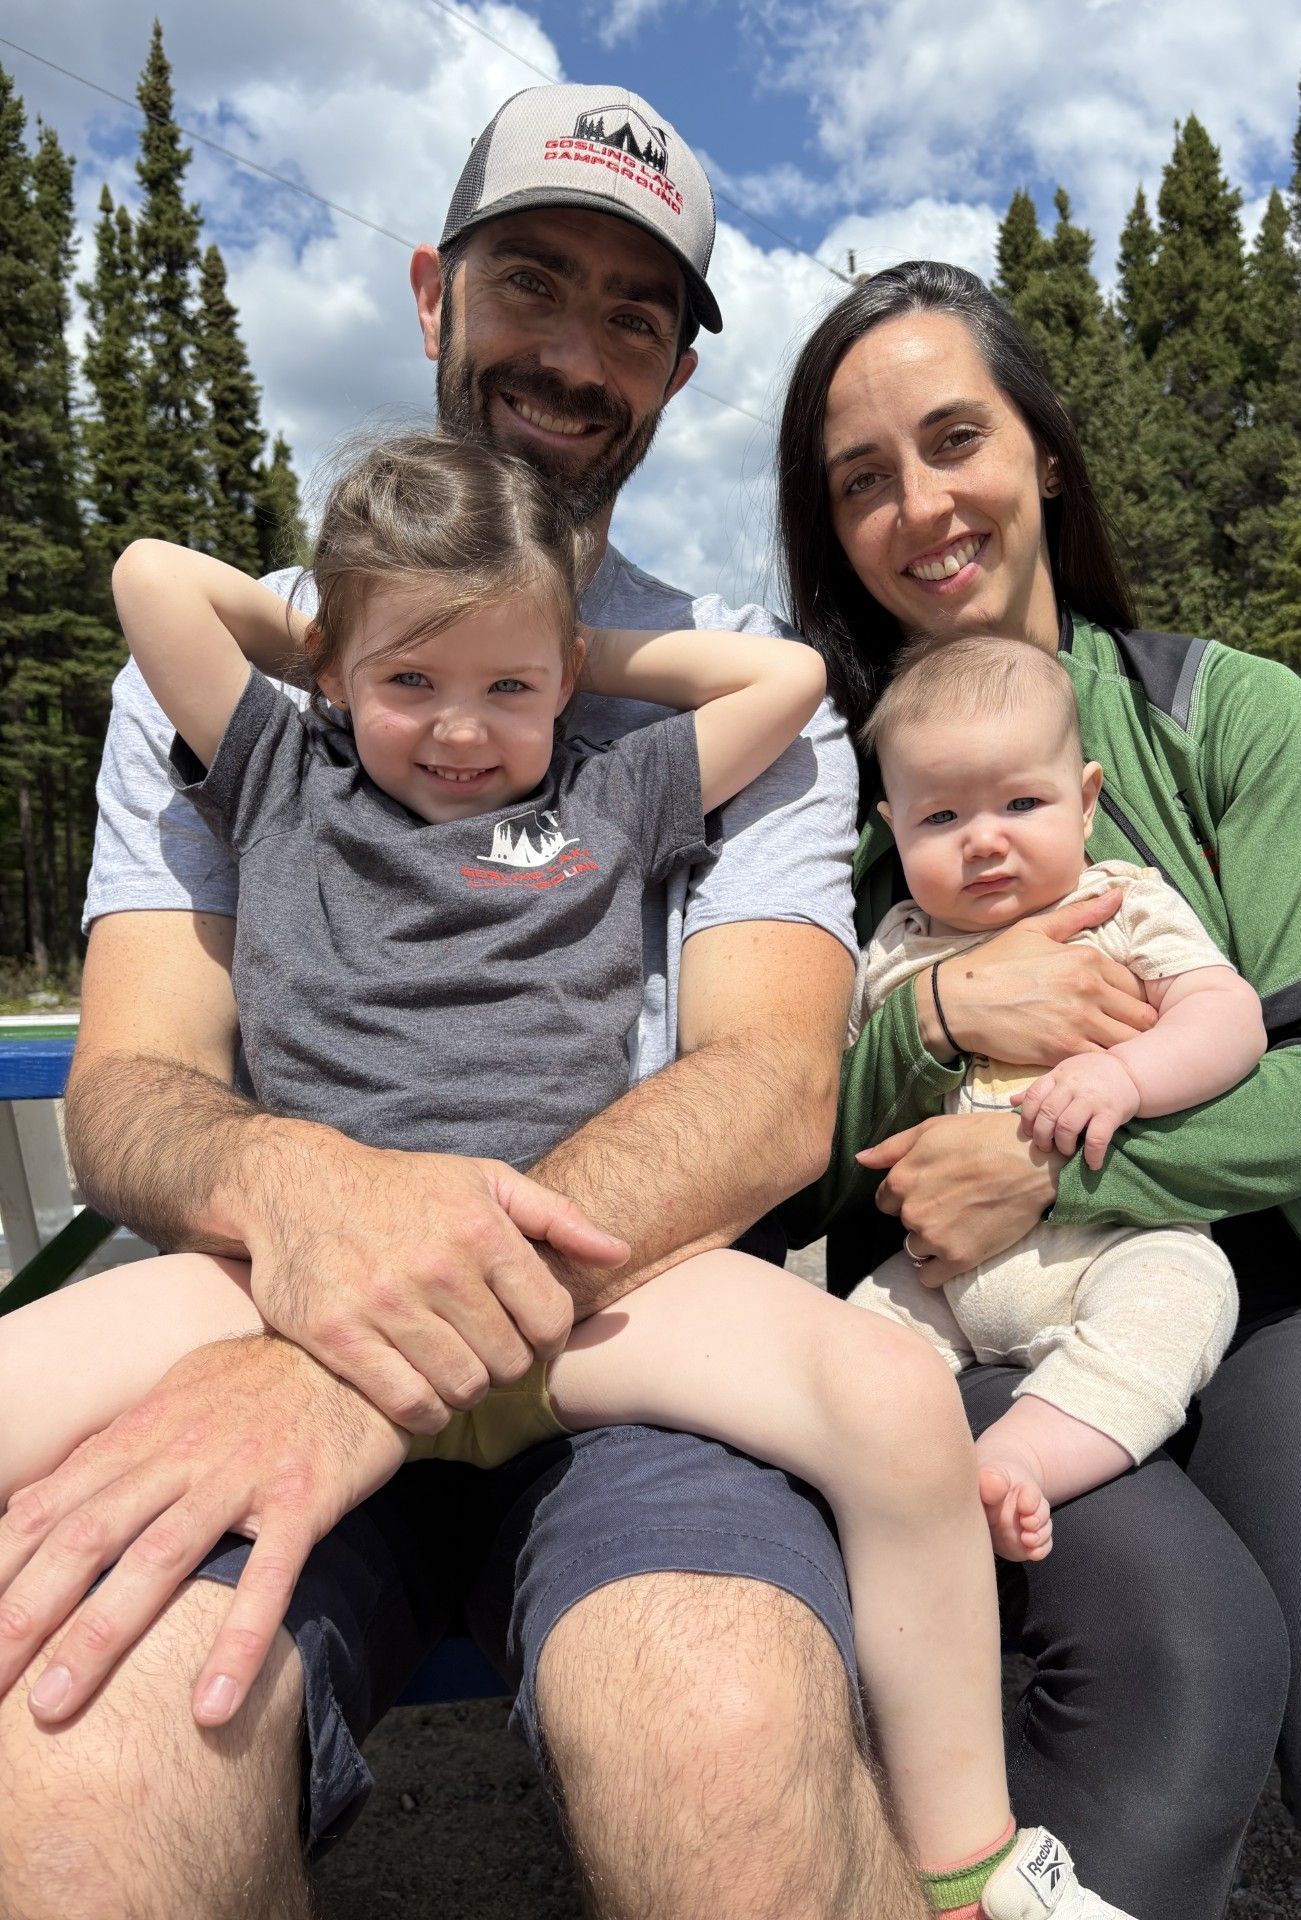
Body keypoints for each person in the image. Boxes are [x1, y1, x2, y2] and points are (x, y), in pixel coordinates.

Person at [3, 438, 1136, 1920]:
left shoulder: (610, 792)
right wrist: (364, 622)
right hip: (298, 1293)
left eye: (507, 686)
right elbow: (150, 579)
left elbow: (785, 682)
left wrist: (560, 642)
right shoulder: (286, 767)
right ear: (339, 670)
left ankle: (973, 1861)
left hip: (580, 1289)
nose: (459, 728)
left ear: (561, 679)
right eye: (413, 681)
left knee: (892, 1401)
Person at [0, 86, 912, 1920]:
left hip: (625, 1362)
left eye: (635, 318)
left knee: (731, 1749)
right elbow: (133, 1091)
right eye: (530, 283)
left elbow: (764, 1090)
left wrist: (558, 643)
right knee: (77, 1777)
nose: (576, 353)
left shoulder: (722, 702)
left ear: (673, 376)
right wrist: (360, 633)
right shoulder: (240, 697)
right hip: (256, 1324)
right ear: (433, 290)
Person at [776, 258, 1301, 1919]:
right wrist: (941, 1018)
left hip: (1269, 1287)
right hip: (971, 1309)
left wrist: (1056, 1159)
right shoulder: (827, 806)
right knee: (1181, 1674)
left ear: (1047, 455)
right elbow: (792, 1152)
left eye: (955, 440)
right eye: (862, 480)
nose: (921, 506)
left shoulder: (1227, 715)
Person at [845, 634, 1265, 1559]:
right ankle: (830, 1499)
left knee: (1180, 1299)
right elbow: (840, 1088)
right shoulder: (895, 950)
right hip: (940, 1269)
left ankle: (1024, 1458)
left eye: (1022, 804)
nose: (984, 839)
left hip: (1113, 1241)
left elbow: (1229, 1016)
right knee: (841, 1350)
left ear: (1086, 802)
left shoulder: (1124, 906)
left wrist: (1127, 1075)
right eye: (940, 816)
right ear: (893, 826)